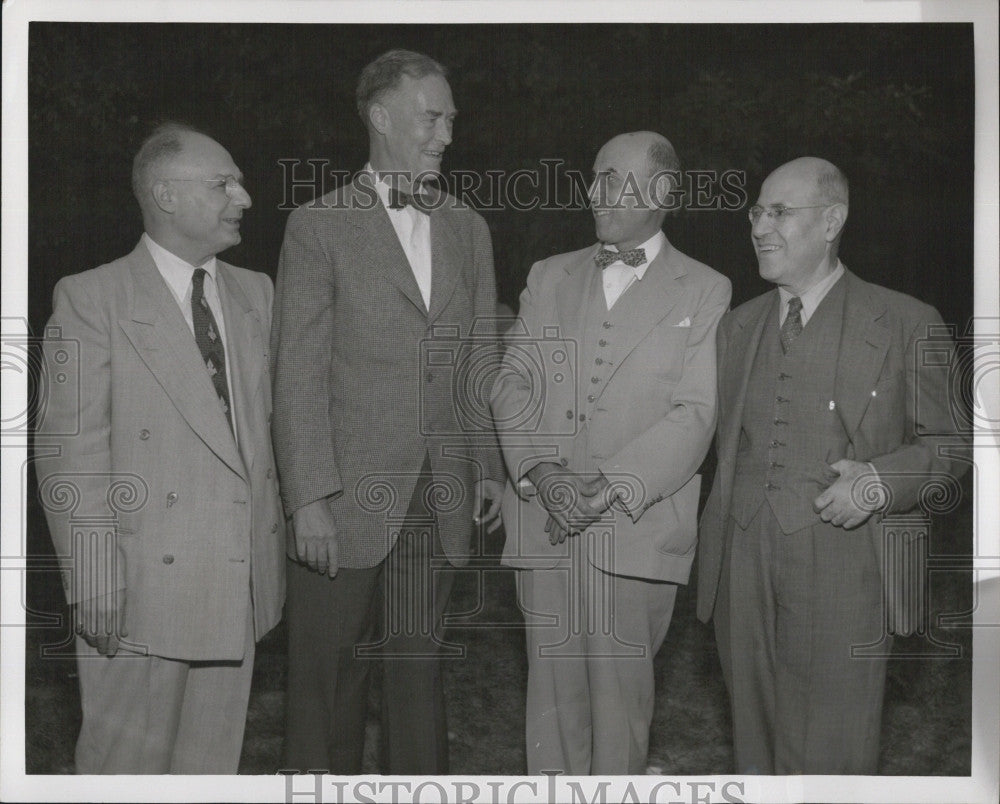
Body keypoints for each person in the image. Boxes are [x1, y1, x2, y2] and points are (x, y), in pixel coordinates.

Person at [271, 49, 505, 774]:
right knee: (326, 687)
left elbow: (479, 358)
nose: (446, 134)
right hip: (343, 503)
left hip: (440, 495)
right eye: (431, 116)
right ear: (380, 117)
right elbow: (297, 372)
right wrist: (308, 496)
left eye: (452, 120)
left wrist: (488, 467)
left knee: (419, 680)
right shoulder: (319, 225)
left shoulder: (469, 228)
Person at [696, 157, 966, 774]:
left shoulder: (904, 321)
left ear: (832, 221)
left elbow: (952, 444)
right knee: (754, 755)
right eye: (757, 212)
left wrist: (878, 481)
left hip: (852, 568)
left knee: (832, 760)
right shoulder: (735, 328)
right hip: (740, 565)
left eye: (780, 212)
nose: (761, 226)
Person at [35, 123, 286, 773]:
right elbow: (70, 453)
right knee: (126, 772)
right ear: (167, 196)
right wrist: (94, 579)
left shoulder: (257, 293)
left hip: (237, 580)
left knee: (210, 769)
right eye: (223, 184)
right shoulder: (92, 298)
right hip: (141, 590)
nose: (245, 197)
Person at [491, 131, 731, 774]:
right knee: (550, 706)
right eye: (594, 177)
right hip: (543, 523)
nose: (594, 192)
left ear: (662, 193)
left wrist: (602, 489)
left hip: (634, 527)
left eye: (611, 179)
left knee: (620, 712)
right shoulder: (550, 275)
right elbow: (512, 379)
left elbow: (696, 412)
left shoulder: (706, 289)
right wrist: (541, 470)